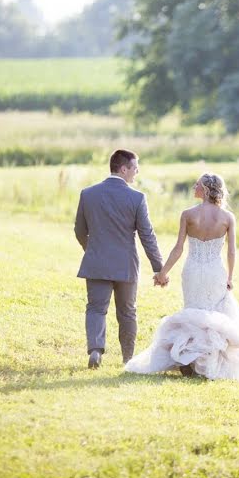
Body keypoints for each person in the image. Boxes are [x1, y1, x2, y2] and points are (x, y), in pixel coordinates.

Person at [125, 173, 239, 380]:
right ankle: (205, 363)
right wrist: (230, 276)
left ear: (206, 189)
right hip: (215, 271)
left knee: (193, 313)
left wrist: (163, 273)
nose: (193, 187)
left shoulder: (188, 214)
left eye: (197, 185)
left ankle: (190, 361)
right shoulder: (227, 218)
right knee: (213, 315)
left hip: (192, 270)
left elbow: (178, 248)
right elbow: (231, 252)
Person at [74, 149, 165, 369]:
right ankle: (127, 358)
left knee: (96, 308)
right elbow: (147, 236)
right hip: (126, 265)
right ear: (123, 169)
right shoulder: (137, 198)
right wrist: (159, 267)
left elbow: (79, 230)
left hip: (96, 263)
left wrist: (92, 249)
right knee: (127, 311)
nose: (137, 172)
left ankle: (96, 350)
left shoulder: (88, 194)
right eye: (135, 168)